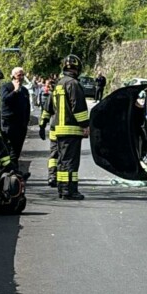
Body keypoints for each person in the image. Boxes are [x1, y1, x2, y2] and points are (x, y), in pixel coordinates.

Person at [53, 55, 90, 200]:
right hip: (71, 129)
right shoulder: (73, 84)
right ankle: (70, 190)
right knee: (71, 163)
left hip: (60, 129)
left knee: (62, 161)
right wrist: (85, 125)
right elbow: (78, 107)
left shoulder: (59, 83)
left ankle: (62, 189)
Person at [0, 67, 32, 177]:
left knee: (17, 151)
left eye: (23, 75)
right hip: (9, 124)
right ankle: (12, 173)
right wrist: (15, 91)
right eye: (19, 75)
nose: (21, 77)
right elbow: (5, 100)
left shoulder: (24, 90)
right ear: (13, 76)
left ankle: (15, 172)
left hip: (21, 125)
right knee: (10, 150)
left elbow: (27, 107)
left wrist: (26, 122)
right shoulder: (6, 87)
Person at [39, 76, 59, 187]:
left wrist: (42, 126)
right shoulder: (72, 93)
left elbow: (46, 112)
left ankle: (52, 177)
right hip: (67, 131)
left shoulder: (53, 95)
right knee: (63, 156)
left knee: (54, 154)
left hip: (54, 129)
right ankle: (60, 179)